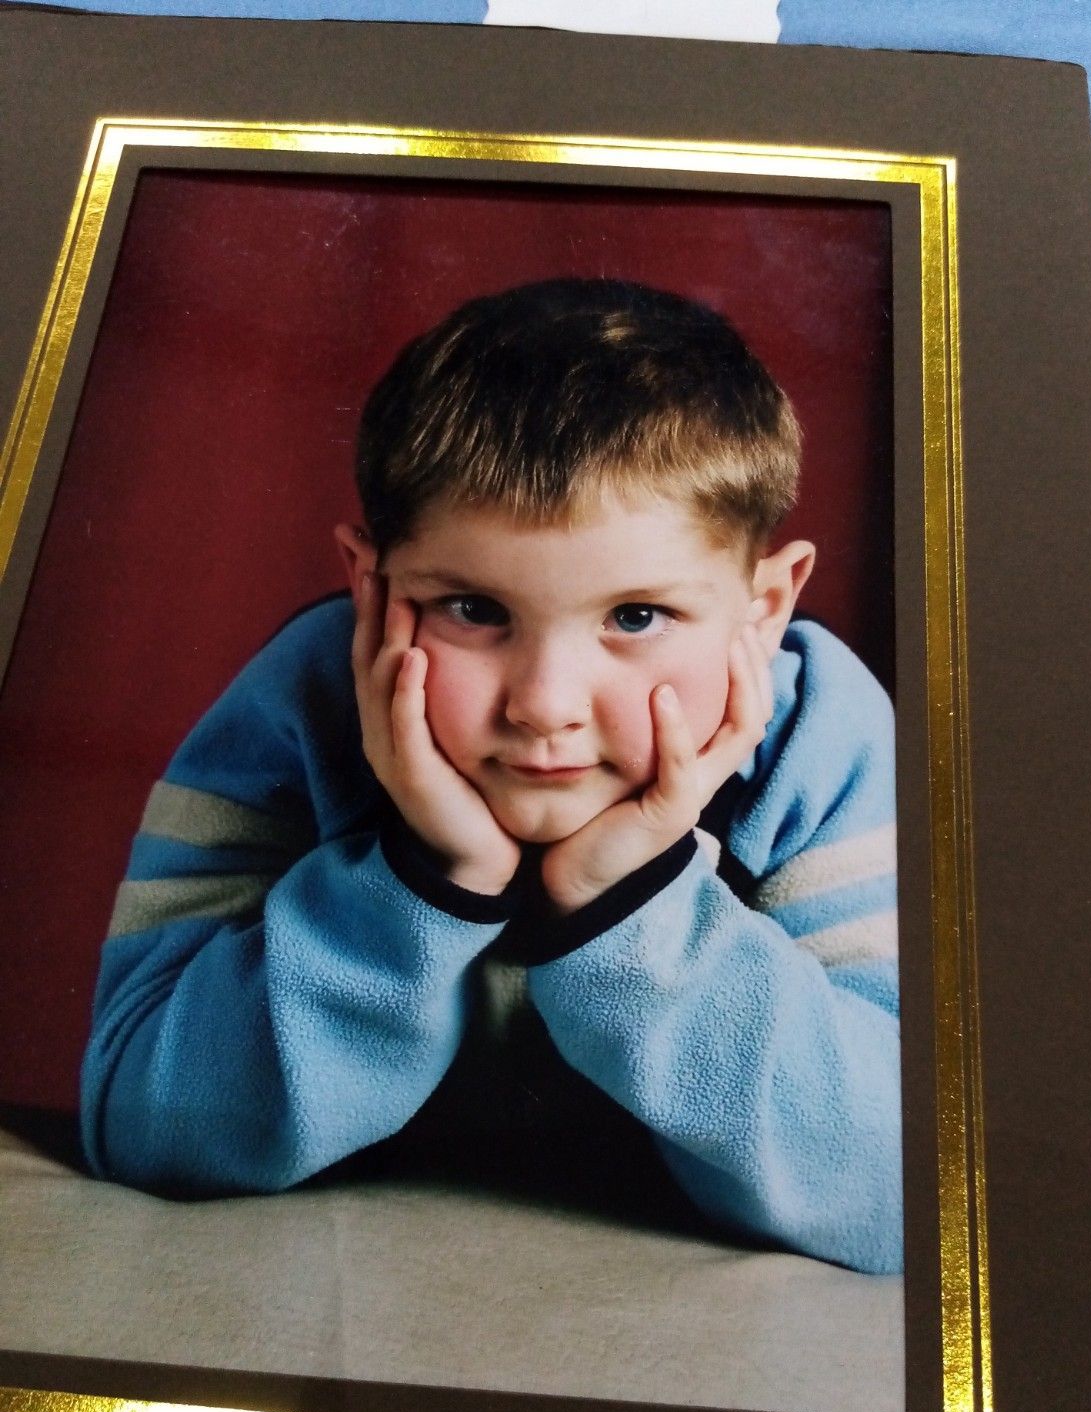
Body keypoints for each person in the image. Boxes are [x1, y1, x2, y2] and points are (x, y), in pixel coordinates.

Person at [80, 278, 901, 1273]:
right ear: (370, 588)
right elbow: (139, 1124)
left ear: (765, 611)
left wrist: (629, 902)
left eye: (636, 616)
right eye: (473, 610)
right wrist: (426, 882)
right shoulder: (305, 704)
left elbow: (897, 1192)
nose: (545, 705)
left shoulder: (817, 737)